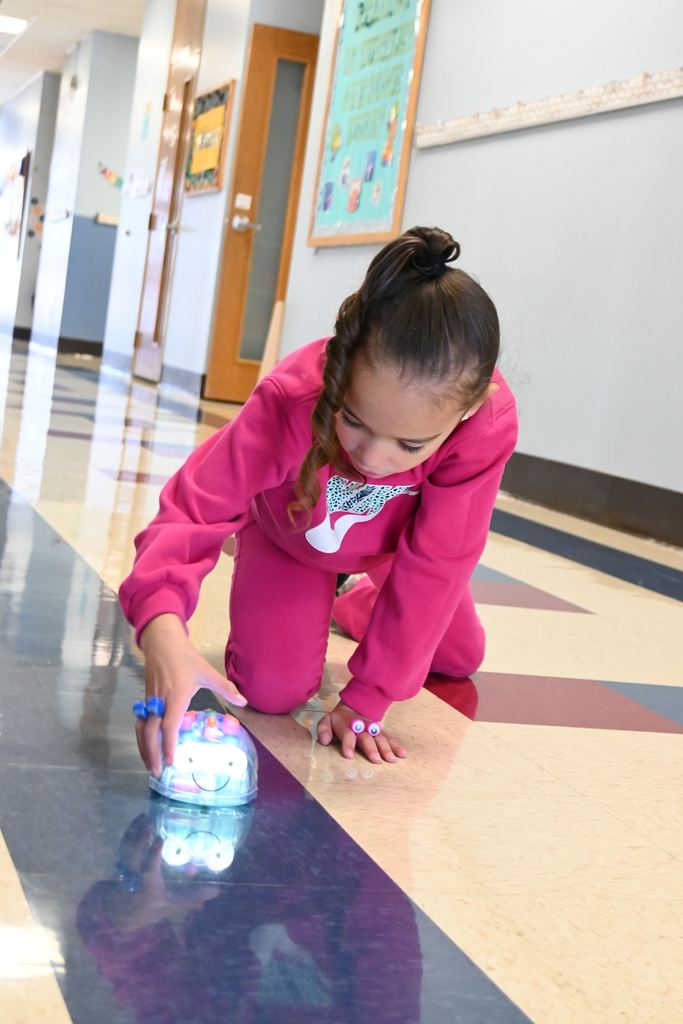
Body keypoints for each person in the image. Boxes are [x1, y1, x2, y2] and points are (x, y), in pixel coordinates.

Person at [119, 226, 518, 775]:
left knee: (459, 657)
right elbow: (195, 508)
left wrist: (370, 696)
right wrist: (161, 625)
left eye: (410, 445)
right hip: (291, 540)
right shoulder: (292, 396)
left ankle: (355, 600)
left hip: (392, 551)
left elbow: (442, 560)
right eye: (353, 421)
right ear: (341, 368)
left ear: (471, 410)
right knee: (273, 691)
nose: (374, 459)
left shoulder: (486, 427)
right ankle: (325, 593)